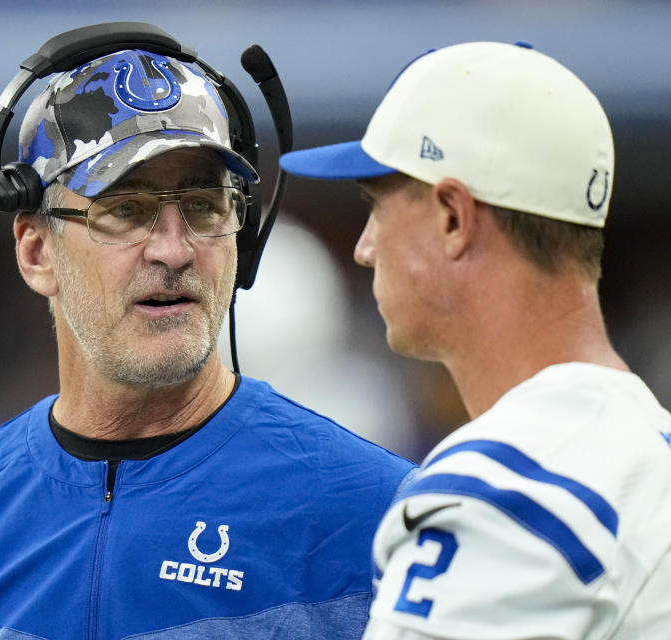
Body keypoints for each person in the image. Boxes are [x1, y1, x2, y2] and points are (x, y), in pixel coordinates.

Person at [0, 42, 416, 639]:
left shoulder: (379, 517)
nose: (173, 249)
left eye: (202, 207)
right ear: (36, 251)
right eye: (125, 210)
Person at [280, 41, 671, 639]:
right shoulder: (651, 450)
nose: (365, 246)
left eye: (377, 207)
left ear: (453, 218)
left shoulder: (499, 494)